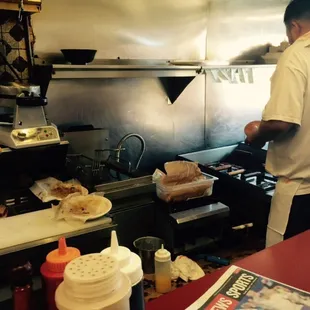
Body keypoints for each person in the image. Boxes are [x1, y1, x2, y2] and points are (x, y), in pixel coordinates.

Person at [245, 0, 310, 247]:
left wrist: (257, 135)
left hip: (300, 193)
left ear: (294, 26)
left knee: (282, 273)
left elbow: (282, 122)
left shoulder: (296, 55)